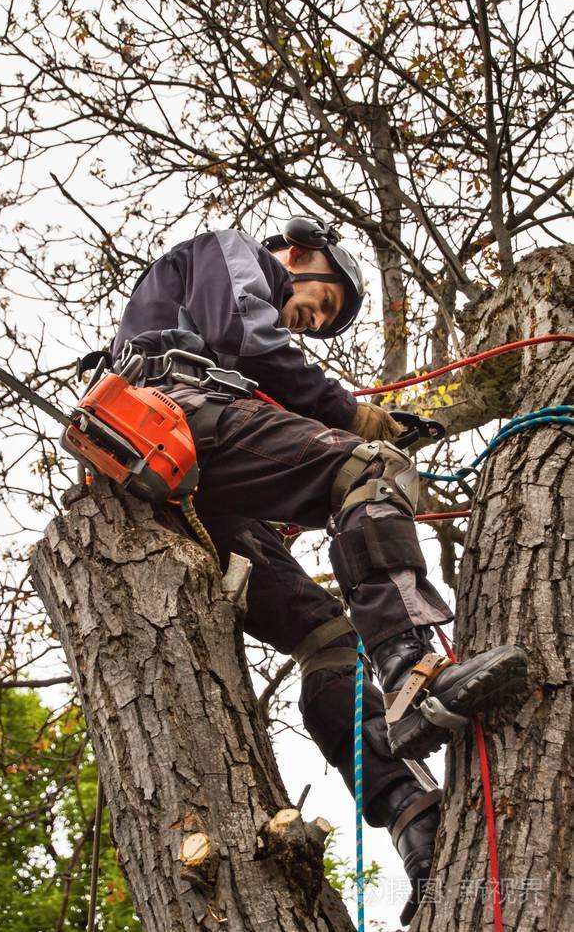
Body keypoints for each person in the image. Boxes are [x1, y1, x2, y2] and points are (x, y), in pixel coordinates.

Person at [110, 217, 528, 924]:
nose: (314, 320)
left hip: (194, 480)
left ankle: (414, 818)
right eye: (323, 302)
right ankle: (408, 666)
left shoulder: (230, 355)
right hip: (174, 419)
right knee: (372, 466)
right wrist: (356, 420)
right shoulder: (232, 252)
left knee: (330, 638)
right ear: (300, 251)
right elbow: (252, 335)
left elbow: (269, 412)